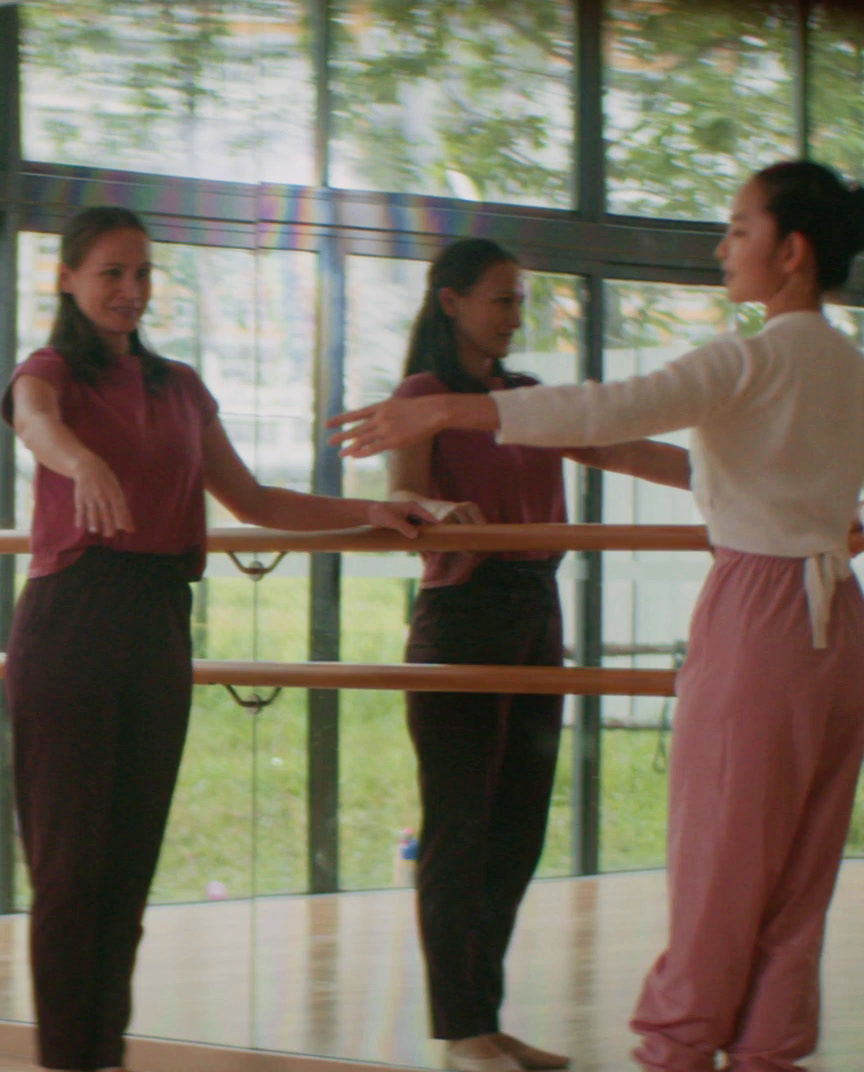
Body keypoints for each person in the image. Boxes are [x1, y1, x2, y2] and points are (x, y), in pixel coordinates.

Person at [329, 161, 864, 1072]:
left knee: (720, 866)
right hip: (838, 619)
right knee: (802, 871)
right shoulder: (848, 366)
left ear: (793, 251)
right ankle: (771, 1050)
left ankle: (680, 1048)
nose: (721, 246)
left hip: (757, 612)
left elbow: (612, 411)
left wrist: (456, 406)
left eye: (737, 228)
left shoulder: (750, 358)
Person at [3, 205, 435, 1072]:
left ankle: (102, 1058)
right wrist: (82, 461)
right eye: (111, 274)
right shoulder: (47, 372)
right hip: (70, 623)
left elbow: (256, 503)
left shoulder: (181, 387)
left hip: (159, 619)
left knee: (124, 880)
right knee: (68, 876)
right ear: (67, 279)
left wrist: (372, 514)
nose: (130, 291)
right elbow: (35, 423)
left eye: (142, 275)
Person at [383, 237, 583, 1072]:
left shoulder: (530, 398)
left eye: (519, 302)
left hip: (538, 608)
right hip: (462, 611)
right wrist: (435, 506)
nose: (513, 316)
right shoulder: (422, 395)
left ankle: (485, 1020)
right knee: (459, 828)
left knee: (517, 830)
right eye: (501, 299)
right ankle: (461, 1029)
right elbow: (399, 496)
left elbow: (610, 444)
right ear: (451, 302)